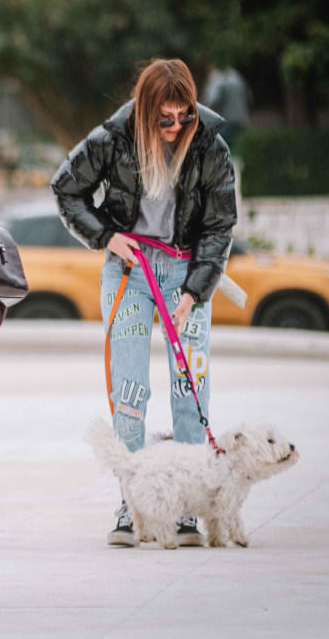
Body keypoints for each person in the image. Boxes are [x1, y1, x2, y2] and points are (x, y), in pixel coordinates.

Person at [51, 58, 236, 548]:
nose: (175, 128)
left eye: (184, 117)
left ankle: (190, 509)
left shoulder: (209, 145)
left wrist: (196, 289)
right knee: (129, 392)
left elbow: (219, 226)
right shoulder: (112, 139)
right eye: (164, 119)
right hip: (129, 269)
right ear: (145, 112)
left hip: (186, 270)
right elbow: (66, 189)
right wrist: (106, 237)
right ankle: (133, 503)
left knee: (189, 388)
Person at [202, 64, 251, 149]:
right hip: (242, 120)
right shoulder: (237, 77)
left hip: (227, 121)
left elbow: (214, 100)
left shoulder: (219, 79)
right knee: (238, 147)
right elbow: (249, 97)